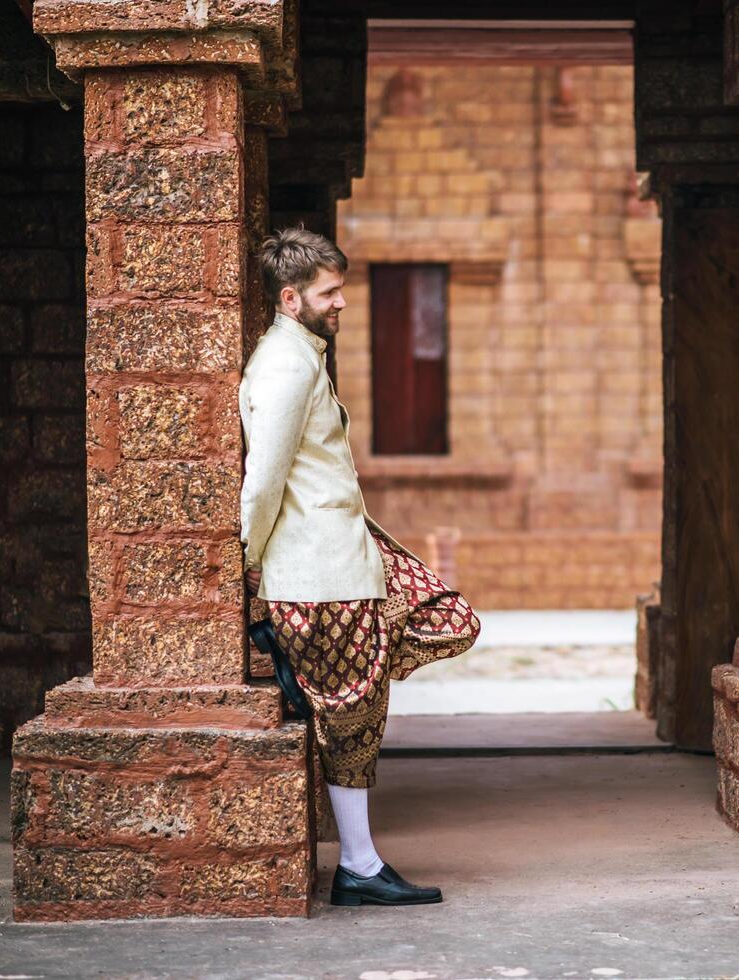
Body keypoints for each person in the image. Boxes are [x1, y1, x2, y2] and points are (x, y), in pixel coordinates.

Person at [240, 227, 480, 907]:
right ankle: (360, 864)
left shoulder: (300, 354)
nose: (341, 302)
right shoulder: (285, 367)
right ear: (291, 298)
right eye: (330, 292)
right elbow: (264, 480)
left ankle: (310, 683)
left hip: (344, 564)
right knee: (354, 725)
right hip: (319, 580)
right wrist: (250, 568)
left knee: (448, 620)